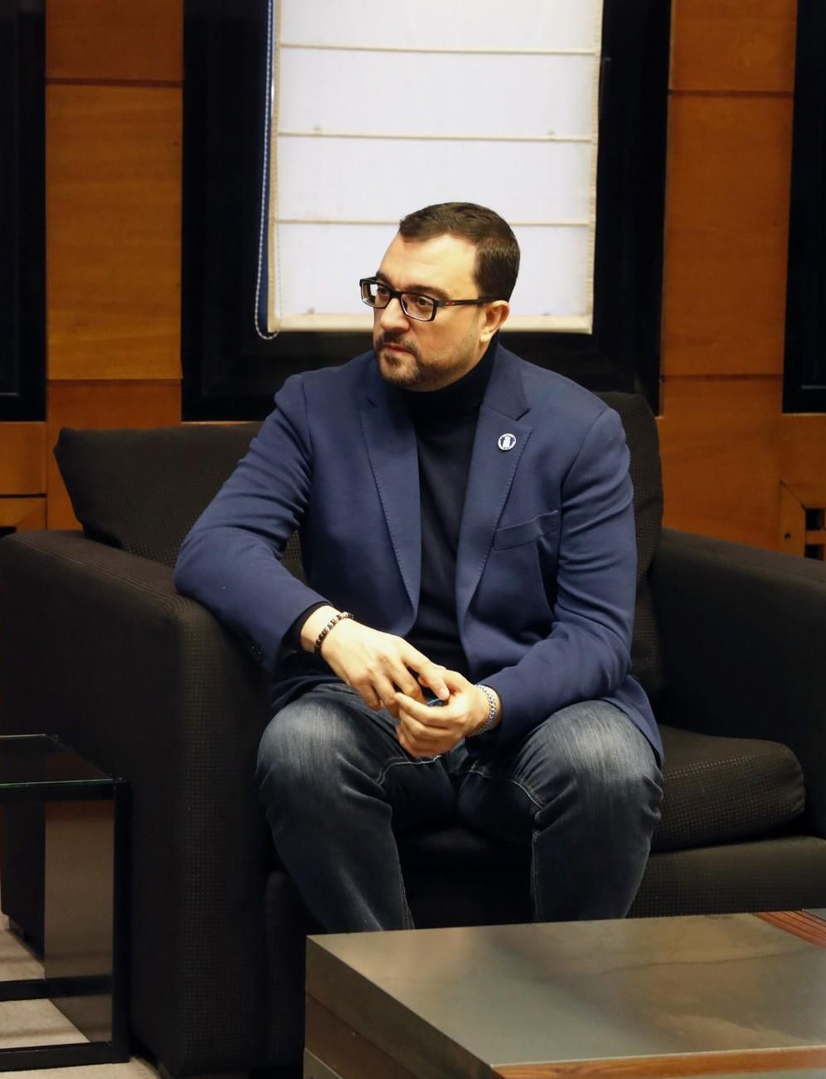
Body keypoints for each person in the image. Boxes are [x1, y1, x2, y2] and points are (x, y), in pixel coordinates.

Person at [174, 202, 663, 933]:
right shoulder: (316, 407)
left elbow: (597, 634)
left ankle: (563, 996)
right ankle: (391, 992)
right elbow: (215, 546)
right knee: (302, 746)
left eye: (422, 302)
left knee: (609, 764)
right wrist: (331, 630)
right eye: (383, 291)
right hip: (373, 713)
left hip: (529, 715)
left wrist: (486, 706)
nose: (390, 319)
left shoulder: (579, 430)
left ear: (491, 318)